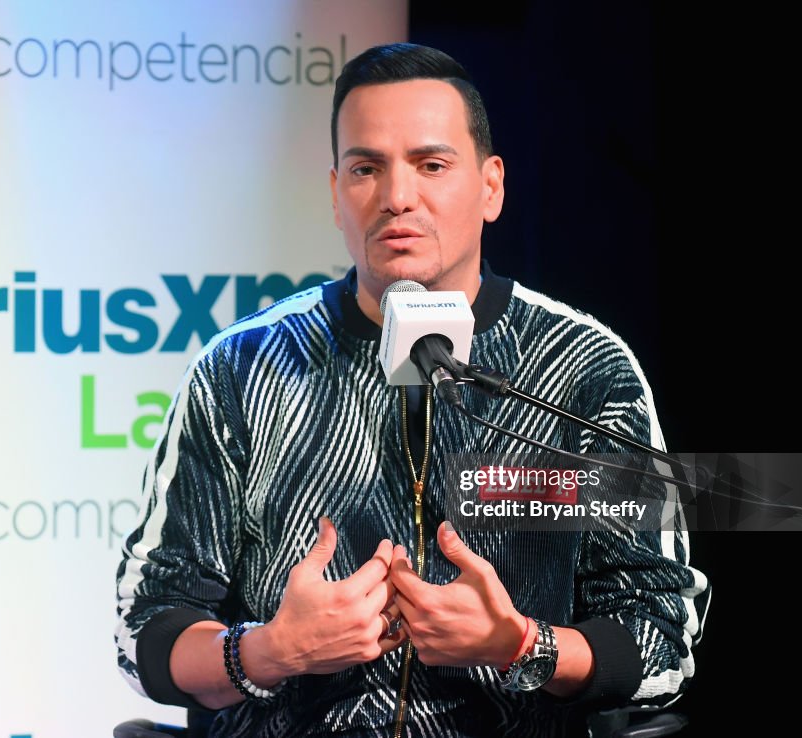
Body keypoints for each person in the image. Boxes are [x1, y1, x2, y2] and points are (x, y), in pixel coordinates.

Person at [115, 43, 708, 737]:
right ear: (336, 195)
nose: (397, 196)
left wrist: (522, 644)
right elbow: (146, 633)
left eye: (431, 165)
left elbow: (662, 637)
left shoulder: (584, 369)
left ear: (491, 187)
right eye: (367, 169)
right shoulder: (241, 369)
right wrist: (271, 651)